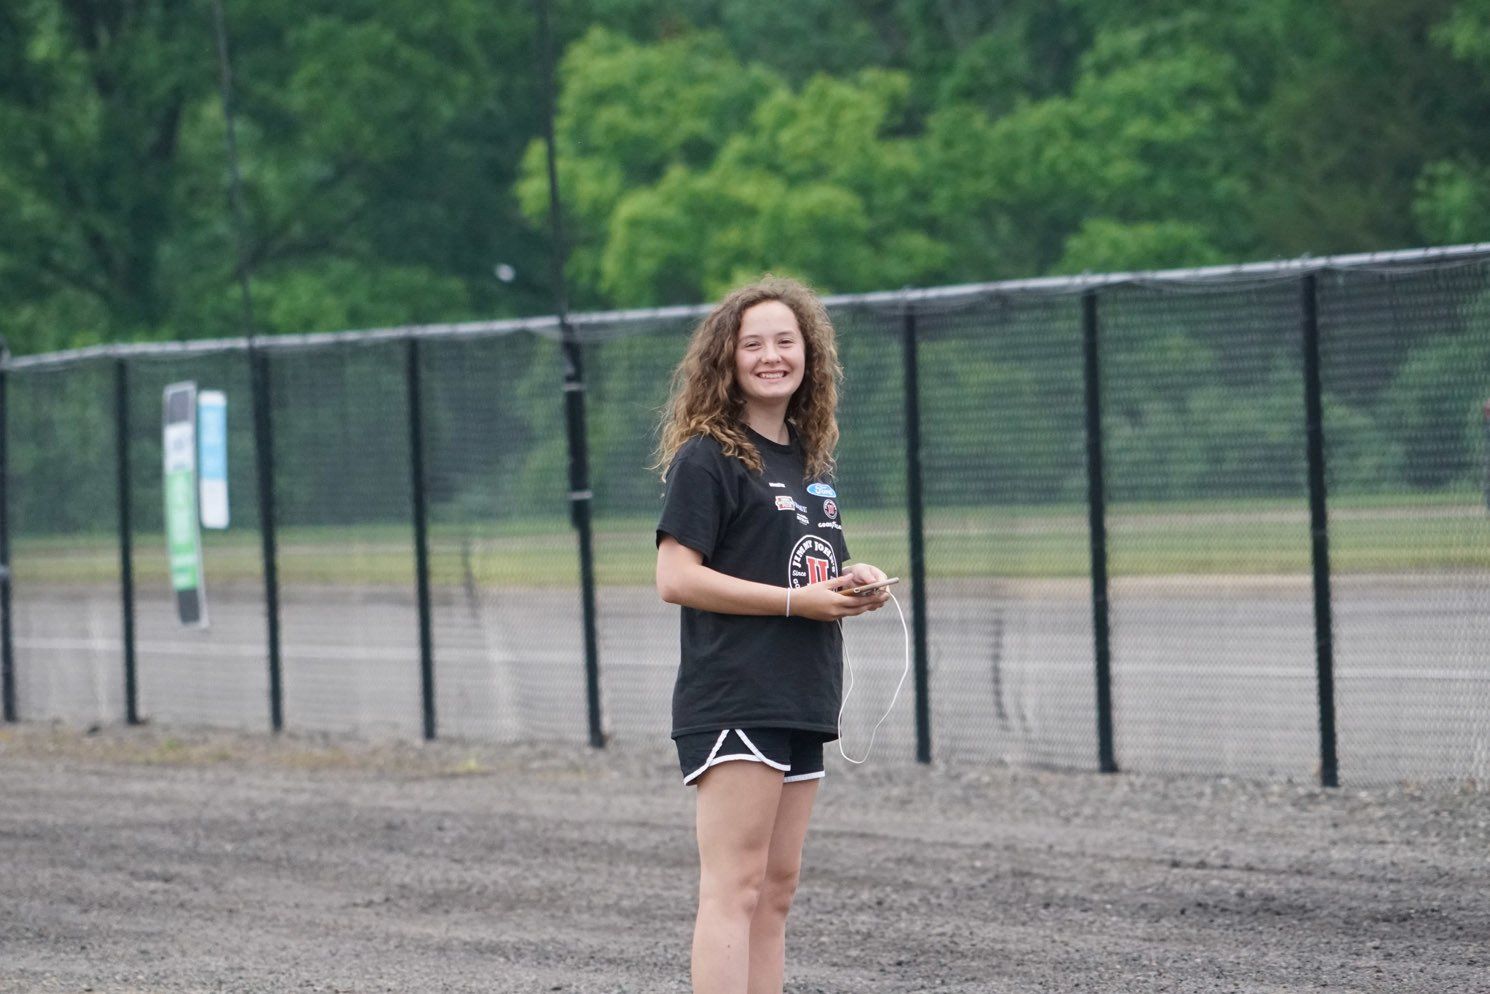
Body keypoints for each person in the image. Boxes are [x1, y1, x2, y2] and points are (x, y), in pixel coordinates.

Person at [653, 276, 892, 994]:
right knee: (735, 887)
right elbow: (676, 577)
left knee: (776, 890)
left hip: (799, 694)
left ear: (809, 357)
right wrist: (796, 603)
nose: (771, 356)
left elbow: (803, 569)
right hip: (737, 694)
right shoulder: (708, 456)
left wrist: (855, 580)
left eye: (785, 342)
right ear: (726, 361)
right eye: (752, 344)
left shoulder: (808, 463)